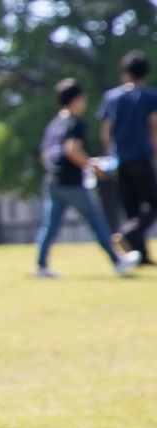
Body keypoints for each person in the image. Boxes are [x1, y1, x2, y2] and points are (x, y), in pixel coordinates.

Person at [35, 78, 135, 278]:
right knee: (96, 220)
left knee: (49, 226)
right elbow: (72, 150)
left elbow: (45, 155)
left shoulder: (53, 124)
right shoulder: (75, 123)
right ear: (77, 99)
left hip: (52, 182)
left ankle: (41, 266)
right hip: (71, 183)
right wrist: (92, 165)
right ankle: (117, 261)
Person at [100, 50, 157, 265]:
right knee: (153, 204)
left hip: (120, 160)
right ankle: (128, 233)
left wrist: (109, 156)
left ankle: (141, 256)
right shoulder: (150, 96)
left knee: (132, 209)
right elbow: (153, 128)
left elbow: (106, 130)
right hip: (141, 158)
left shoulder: (111, 97)